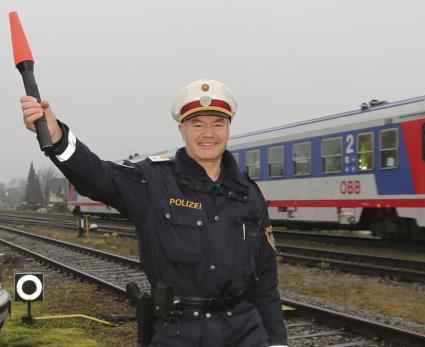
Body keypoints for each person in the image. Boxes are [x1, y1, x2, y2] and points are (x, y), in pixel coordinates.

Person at [20, 79, 288, 347]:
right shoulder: (152, 183)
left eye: (218, 123)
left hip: (245, 332)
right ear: (182, 131)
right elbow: (98, 177)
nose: (209, 133)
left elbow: (265, 279)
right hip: (180, 332)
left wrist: (277, 341)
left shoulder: (249, 194)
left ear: (228, 130)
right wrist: (57, 137)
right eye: (198, 124)